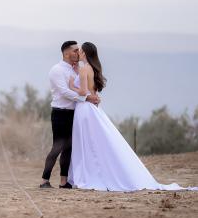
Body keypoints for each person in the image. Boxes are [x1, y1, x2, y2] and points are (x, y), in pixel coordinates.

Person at [66, 42, 192, 191]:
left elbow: (82, 92)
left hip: (84, 109)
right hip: (92, 108)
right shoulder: (92, 69)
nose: (78, 53)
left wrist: (71, 86)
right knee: (95, 140)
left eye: (80, 51)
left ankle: (88, 174)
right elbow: (92, 92)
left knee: (85, 141)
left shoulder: (83, 69)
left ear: (85, 53)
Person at [40, 41, 100, 189]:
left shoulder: (77, 69)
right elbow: (64, 92)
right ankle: (44, 180)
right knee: (58, 146)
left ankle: (63, 182)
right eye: (75, 50)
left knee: (69, 147)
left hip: (75, 113)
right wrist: (86, 98)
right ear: (66, 53)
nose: (78, 52)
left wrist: (92, 96)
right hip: (60, 113)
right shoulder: (57, 70)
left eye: (79, 50)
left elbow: (83, 87)